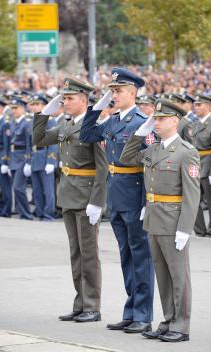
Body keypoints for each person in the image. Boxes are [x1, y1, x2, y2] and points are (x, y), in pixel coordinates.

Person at [80, 67, 154, 334]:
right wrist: (96, 108)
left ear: (133, 93)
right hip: (116, 194)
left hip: (134, 194)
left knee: (141, 255)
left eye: (118, 91)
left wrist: (148, 202)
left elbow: (149, 165)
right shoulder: (112, 121)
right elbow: (86, 135)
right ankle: (131, 311)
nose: (114, 95)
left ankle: (143, 314)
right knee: (126, 256)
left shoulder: (141, 122)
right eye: (112, 91)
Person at [120, 99, 200, 342]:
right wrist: (139, 133)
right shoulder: (154, 148)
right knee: (163, 275)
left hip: (173, 220)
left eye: (161, 119)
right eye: (155, 118)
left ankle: (181, 325)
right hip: (154, 218)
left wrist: (185, 228)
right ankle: (167, 320)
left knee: (179, 276)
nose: (156, 122)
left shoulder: (187, 152)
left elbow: (192, 194)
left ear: (174, 121)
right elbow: (127, 157)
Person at [32, 78, 108, 322]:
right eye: (63, 98)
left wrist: (97, 201)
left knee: (89, 254)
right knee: (76, 254)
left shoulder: (93, 125)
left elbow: (102, 168)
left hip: (86, 197)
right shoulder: (65, 124)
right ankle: (80, 302)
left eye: (70, 98)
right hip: (67, 194)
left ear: (84, 101)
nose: (65, 102)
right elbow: (39, 139)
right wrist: (44, 113)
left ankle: (92, 306)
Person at [192, 95, 211, 238]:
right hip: (196, 165)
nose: (196, 108)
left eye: (199, 105)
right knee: (194, 200)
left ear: (208, 106)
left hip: (208, 164)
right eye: (195, 105)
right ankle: (199, 230)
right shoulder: (195, 124)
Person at [28, 94, 58, 221]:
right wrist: (27, 161)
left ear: (44, 105)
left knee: (48, 189)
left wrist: (51, 160)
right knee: (37, 189)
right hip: (35, 157)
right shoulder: (32, 121)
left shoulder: (50, 120)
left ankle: (48, 213)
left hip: (45, 156)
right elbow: (29, 143)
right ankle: (40, 212)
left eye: (37, 104)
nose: (34, 107)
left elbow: (53, 142)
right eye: (33, 104)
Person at [9, 97, 32, 220]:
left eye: (16, 108)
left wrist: (28, 161)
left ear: (23, 108)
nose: (13, 110)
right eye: (12, 108)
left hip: (22, 158)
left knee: (18, 187)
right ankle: (21, 212)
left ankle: (26, 213)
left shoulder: (27, 122)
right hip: (13, 158)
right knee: (15, 187)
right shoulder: (13, 122)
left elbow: (29, 144)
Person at [0, 97, 12, 217]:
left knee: (5, 186)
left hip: (2, 155)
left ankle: (6, 210)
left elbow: (7, 144)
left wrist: (5, 161)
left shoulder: (5, 122)